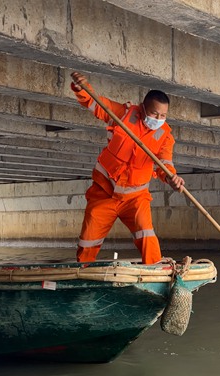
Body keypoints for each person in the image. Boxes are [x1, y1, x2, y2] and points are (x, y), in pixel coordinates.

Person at [70, 71, 185, 264]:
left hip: (135, 198)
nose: (158, 118)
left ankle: (155, 273)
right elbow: (98, 105)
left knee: (147, 235)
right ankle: (83, 271)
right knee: (88, 241)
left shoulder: (165, 136)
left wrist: (172, 178)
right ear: (142, 108)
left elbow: (165, 163)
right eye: (154, 113)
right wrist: (82, 89)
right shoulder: (123, 114)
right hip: (104, 192)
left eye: (163, 115)